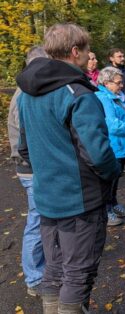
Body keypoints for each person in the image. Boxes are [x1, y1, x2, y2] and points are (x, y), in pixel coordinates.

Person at [16, 23, 121, 313]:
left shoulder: (27, 93)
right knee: (78, 274)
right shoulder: (78, 93)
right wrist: (113, 174)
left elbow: (24, 148)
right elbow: (98, 154)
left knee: (54, 270)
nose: (90, 57)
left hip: (47, 197)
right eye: (87, 51)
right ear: (75, 52)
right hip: (80, 201)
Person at [7, 46, 47, 298]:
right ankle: (34, 278)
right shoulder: (25, 94)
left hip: (33, 166)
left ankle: (42, 272)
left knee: (42, 219)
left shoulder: (28, 91)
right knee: (37, 220)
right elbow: (25, 140)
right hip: (31, 169)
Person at [96, 66, 125, 226]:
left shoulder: (119, 95)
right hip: (113, 146)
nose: (122, 85)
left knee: (116, 179)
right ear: (107, 83)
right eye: (118, 82)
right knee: (109, 181)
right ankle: (106, 211)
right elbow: (112, 124)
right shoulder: (103, 98)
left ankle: (114, 204)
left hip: (123, 146)